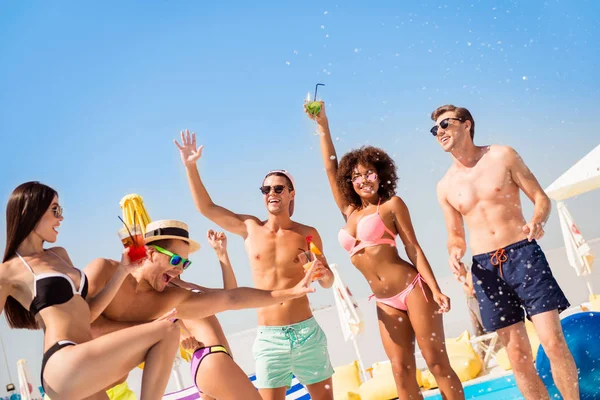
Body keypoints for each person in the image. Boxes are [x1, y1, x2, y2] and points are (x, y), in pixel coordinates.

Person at [305, 102, 464, 399]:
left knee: (436, 363)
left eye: (368, 174)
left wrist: (436, 289)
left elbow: (413, 248)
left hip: (413, 289)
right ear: (349, 182)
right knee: (400, 371)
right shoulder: (349, 211)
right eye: (356, 176)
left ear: (380, 175)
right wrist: (323, 126)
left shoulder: (391, 205)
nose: (363, 180)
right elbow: (330, 166)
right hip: (384, 301)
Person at [174, 130, 335, 400]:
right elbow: (207, 208)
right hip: (270, 338)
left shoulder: (307, 233)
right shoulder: (250, 228)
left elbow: (327, 281)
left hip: (307, 331)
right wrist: (191, 167)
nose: (271, 192)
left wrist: (322, 273)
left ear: (291, 194)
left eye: (278, 188)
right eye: (266, 189)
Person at [432, 104, 579, 400]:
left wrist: (538, 220)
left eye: (445, 125)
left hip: (523, 254)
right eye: (435, 129)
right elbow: (455, 236)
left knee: (552, 342)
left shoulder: (502, 155)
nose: (440, 133)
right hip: (485, 268)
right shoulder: (445, 186)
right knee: (518, 357)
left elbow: (541, 198)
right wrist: (454, 253)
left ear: (467, 125)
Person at [87, 219, 319, 400]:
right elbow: (86, 327)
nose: (181, 270)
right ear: (150, 252)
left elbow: (231, 298)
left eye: (186, 264)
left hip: (111, 389)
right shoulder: (104, 270)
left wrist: (291, 292)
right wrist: (154, 329)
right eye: (176, 261)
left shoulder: (171, 297)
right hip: (71, 386)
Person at [0, 181, 180, 400]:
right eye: (55, 210)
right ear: (31, 211)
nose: (61, 218)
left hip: (84, 361)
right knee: (167, 331)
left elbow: (89, 313)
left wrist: (123, 271)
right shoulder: (8, 271)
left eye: (61, 210)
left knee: (166, 330)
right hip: (63, 361)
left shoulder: (59, 254)